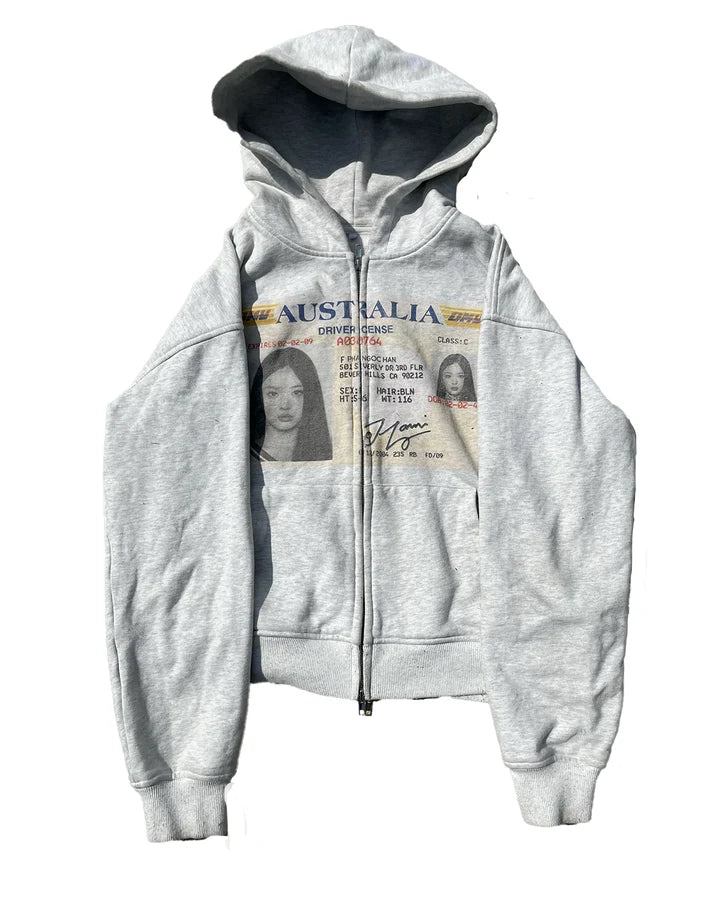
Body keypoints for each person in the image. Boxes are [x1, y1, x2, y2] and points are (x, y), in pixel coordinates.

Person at [249, 347, 333, 461]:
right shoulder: (246, 455)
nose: (285, 405)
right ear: (259, 397)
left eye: (296, 392)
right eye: (273, 394)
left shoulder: (323, 455)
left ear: (310, 397)